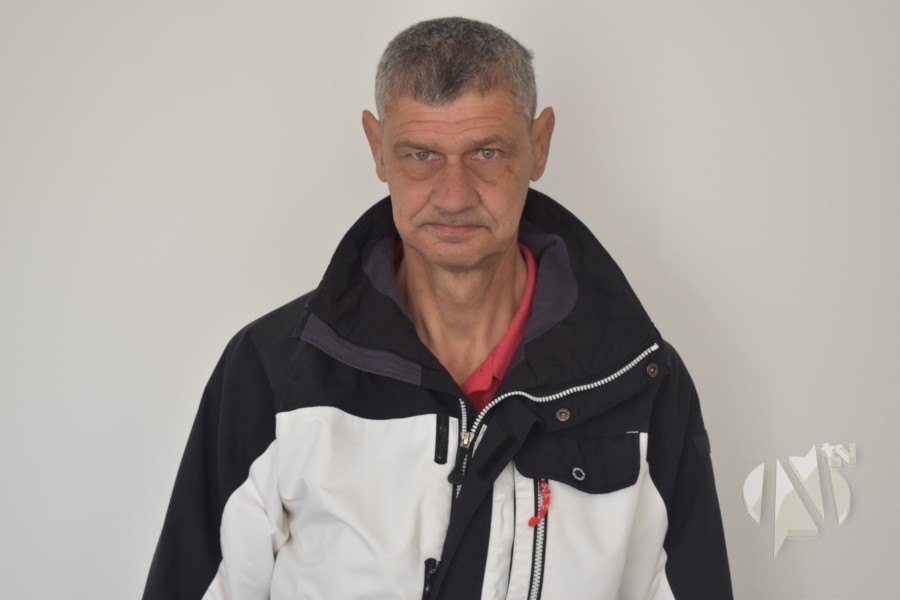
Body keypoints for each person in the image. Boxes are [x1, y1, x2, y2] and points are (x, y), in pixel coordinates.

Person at [143, 17, 733, 599]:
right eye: (421, 155)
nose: (454, 196)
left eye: (487, 152)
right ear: (377, 149)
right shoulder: (272, 372)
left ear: (540, 145)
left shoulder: (640, 383)